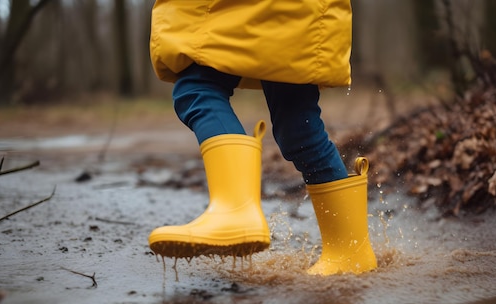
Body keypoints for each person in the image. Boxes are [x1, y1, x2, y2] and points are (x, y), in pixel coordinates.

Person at [148, 0, 377, 275]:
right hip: (300, 12)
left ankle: (235, 212)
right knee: (298, 129)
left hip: (240, 10)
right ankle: (351, 251)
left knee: (197, 89)